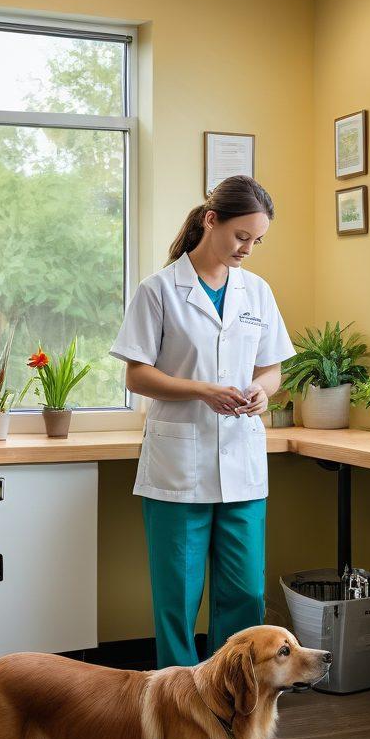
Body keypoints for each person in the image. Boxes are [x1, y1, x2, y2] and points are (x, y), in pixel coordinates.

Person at [110, 175, 295, 669]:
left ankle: (235, 692)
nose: (248, 249)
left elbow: (272, 368)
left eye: (257, 241)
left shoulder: (256, 292)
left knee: (245, 592)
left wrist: (263, 391)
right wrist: (202, 390)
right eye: (241, 237)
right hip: (178, 467)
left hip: (241, 461)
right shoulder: (159, 290)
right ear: (210, 220)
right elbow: (137, 375)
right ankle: (177, 701)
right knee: (178, 597)